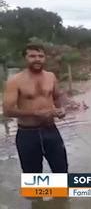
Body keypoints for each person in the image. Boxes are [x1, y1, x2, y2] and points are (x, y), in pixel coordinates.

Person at [2, 43, 68, 173]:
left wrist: (61, 109)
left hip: (51, 131)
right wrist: (35, 113)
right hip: (27, 134)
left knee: (61, 172)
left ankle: (59, 193)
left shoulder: (51, 76)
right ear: (25, 58)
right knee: (32, 176)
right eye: (32, 56)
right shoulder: (15, 81)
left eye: (41, 56)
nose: (37, 59)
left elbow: (57, 97)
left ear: (45, 58)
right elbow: (7, 110)